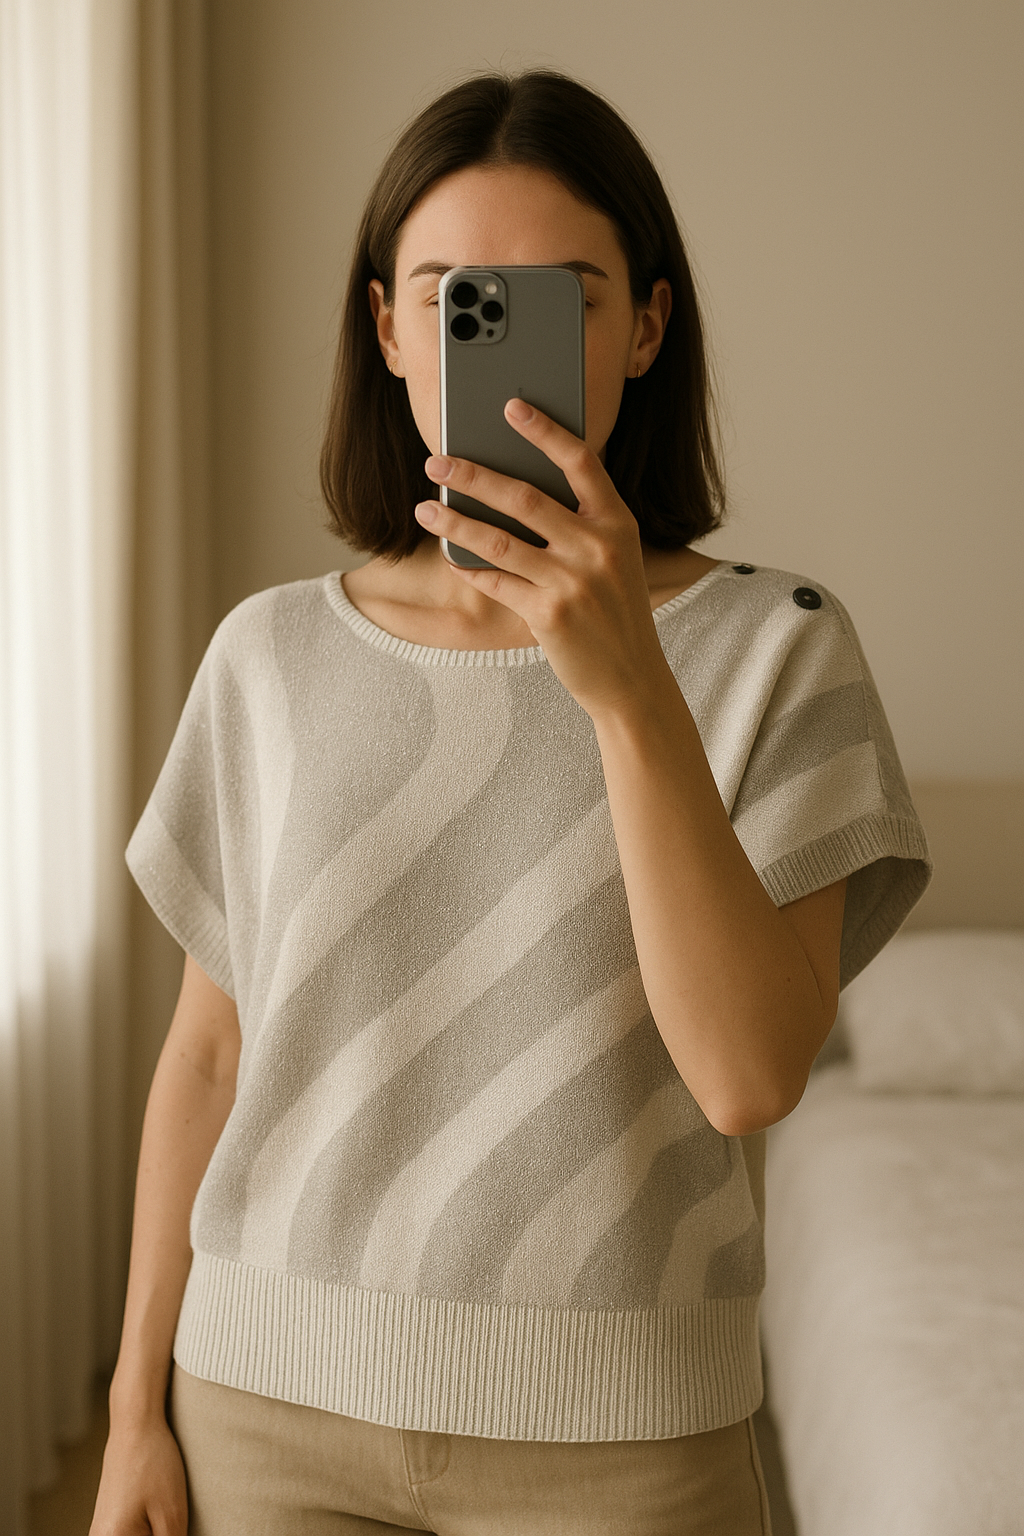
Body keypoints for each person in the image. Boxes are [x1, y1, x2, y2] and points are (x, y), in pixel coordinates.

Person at [90, 69, 930, 1536]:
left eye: (568, 298)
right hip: (263, 1410)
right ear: (391, 328)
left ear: (647, 327)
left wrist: (626, 691)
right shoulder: (270, 655)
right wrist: (128, 1412)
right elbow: (211, 1057)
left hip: (626, 1443)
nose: (506, 341)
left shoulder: (780, 646)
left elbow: (747, 1075)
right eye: (453, 296)